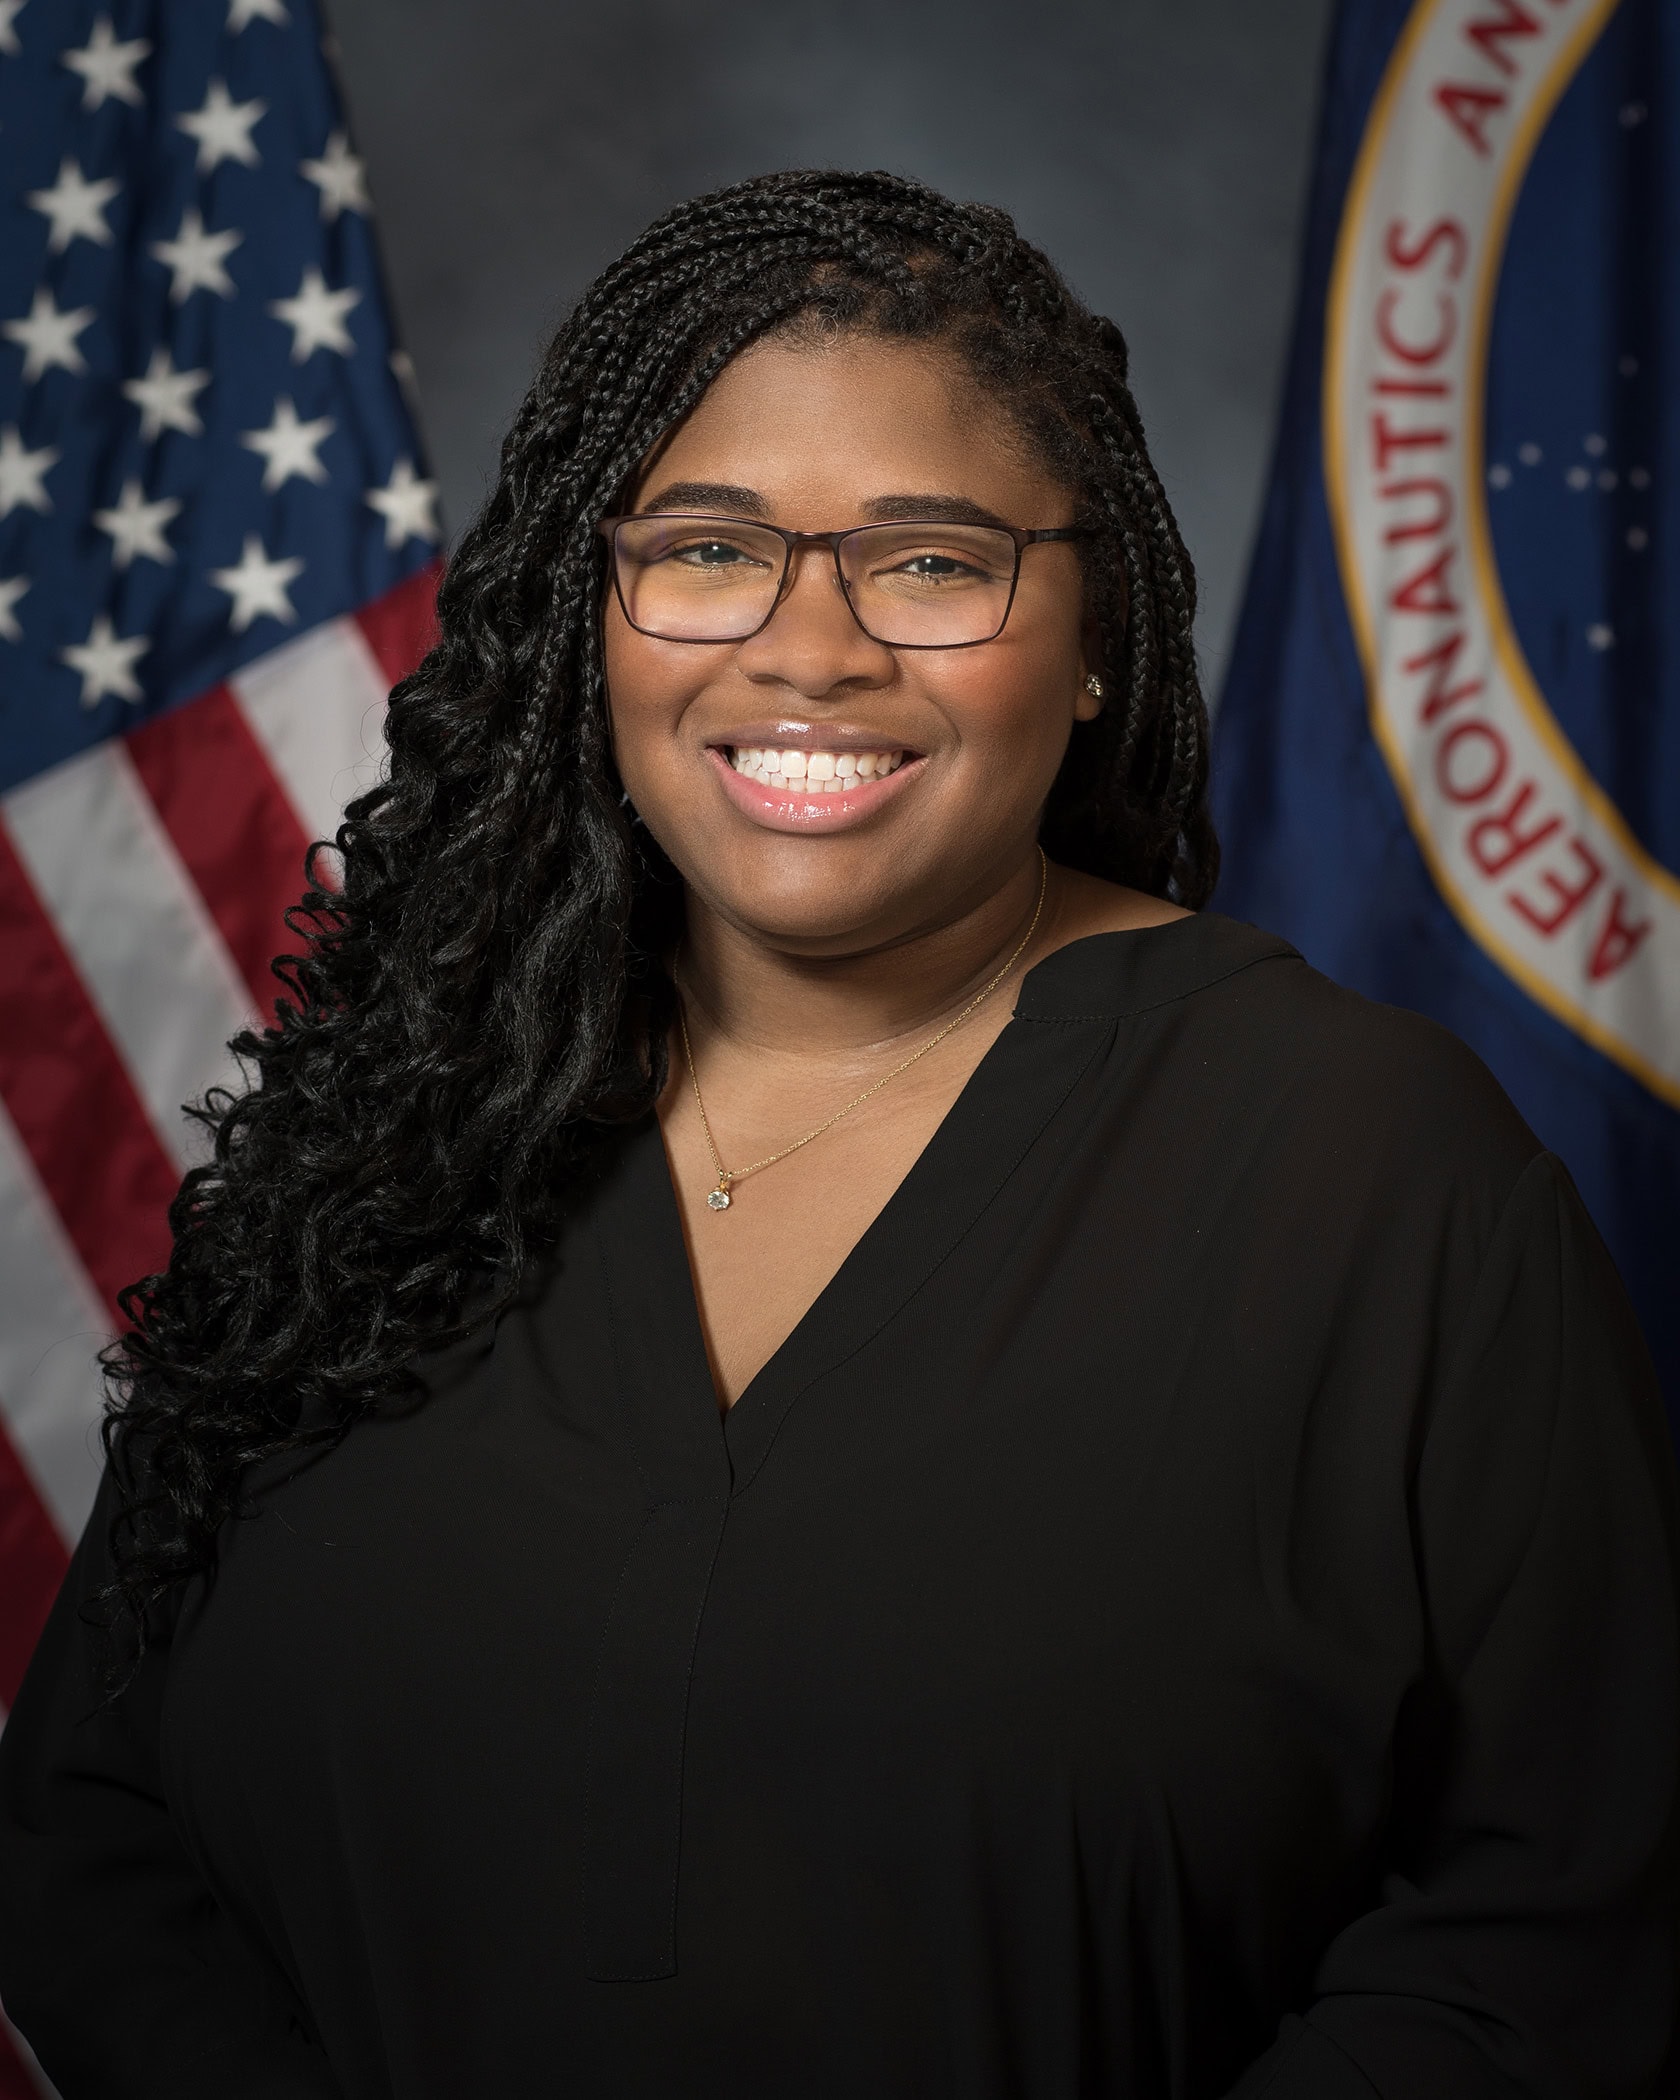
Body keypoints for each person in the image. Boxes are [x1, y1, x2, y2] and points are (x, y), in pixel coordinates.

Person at [1, 168, 1675, 2100]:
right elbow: (96, 1839)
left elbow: (1554, 1929)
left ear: (1094, 631)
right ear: (592, 615)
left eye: (933, 562)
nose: (809, 652)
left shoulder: (1381, 1177)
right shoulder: (391, 1133)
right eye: (709, 547)